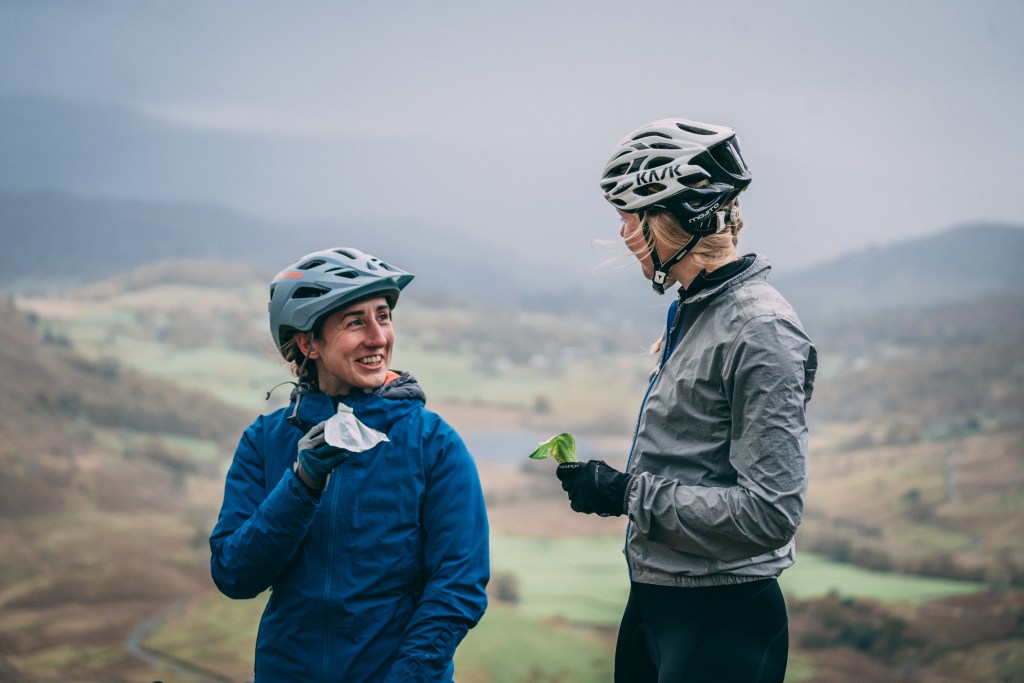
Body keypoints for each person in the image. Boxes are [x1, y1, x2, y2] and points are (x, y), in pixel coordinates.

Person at [556, 118, 817, 682]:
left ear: (669, 221)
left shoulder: (761, 331)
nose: (623, 233)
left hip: (722, 618)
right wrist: (618, 491)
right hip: (658, 603)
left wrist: (628, 493)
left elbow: (770, 514)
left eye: (629, 217)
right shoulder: (696, 310)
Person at [209, 247, 489, 682]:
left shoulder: (432, 444)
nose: (378, 338)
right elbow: (234, 575)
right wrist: (301, 485)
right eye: (355, 322)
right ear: (309, 344)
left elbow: (458, 586)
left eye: (384, 316)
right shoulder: (265, 440)